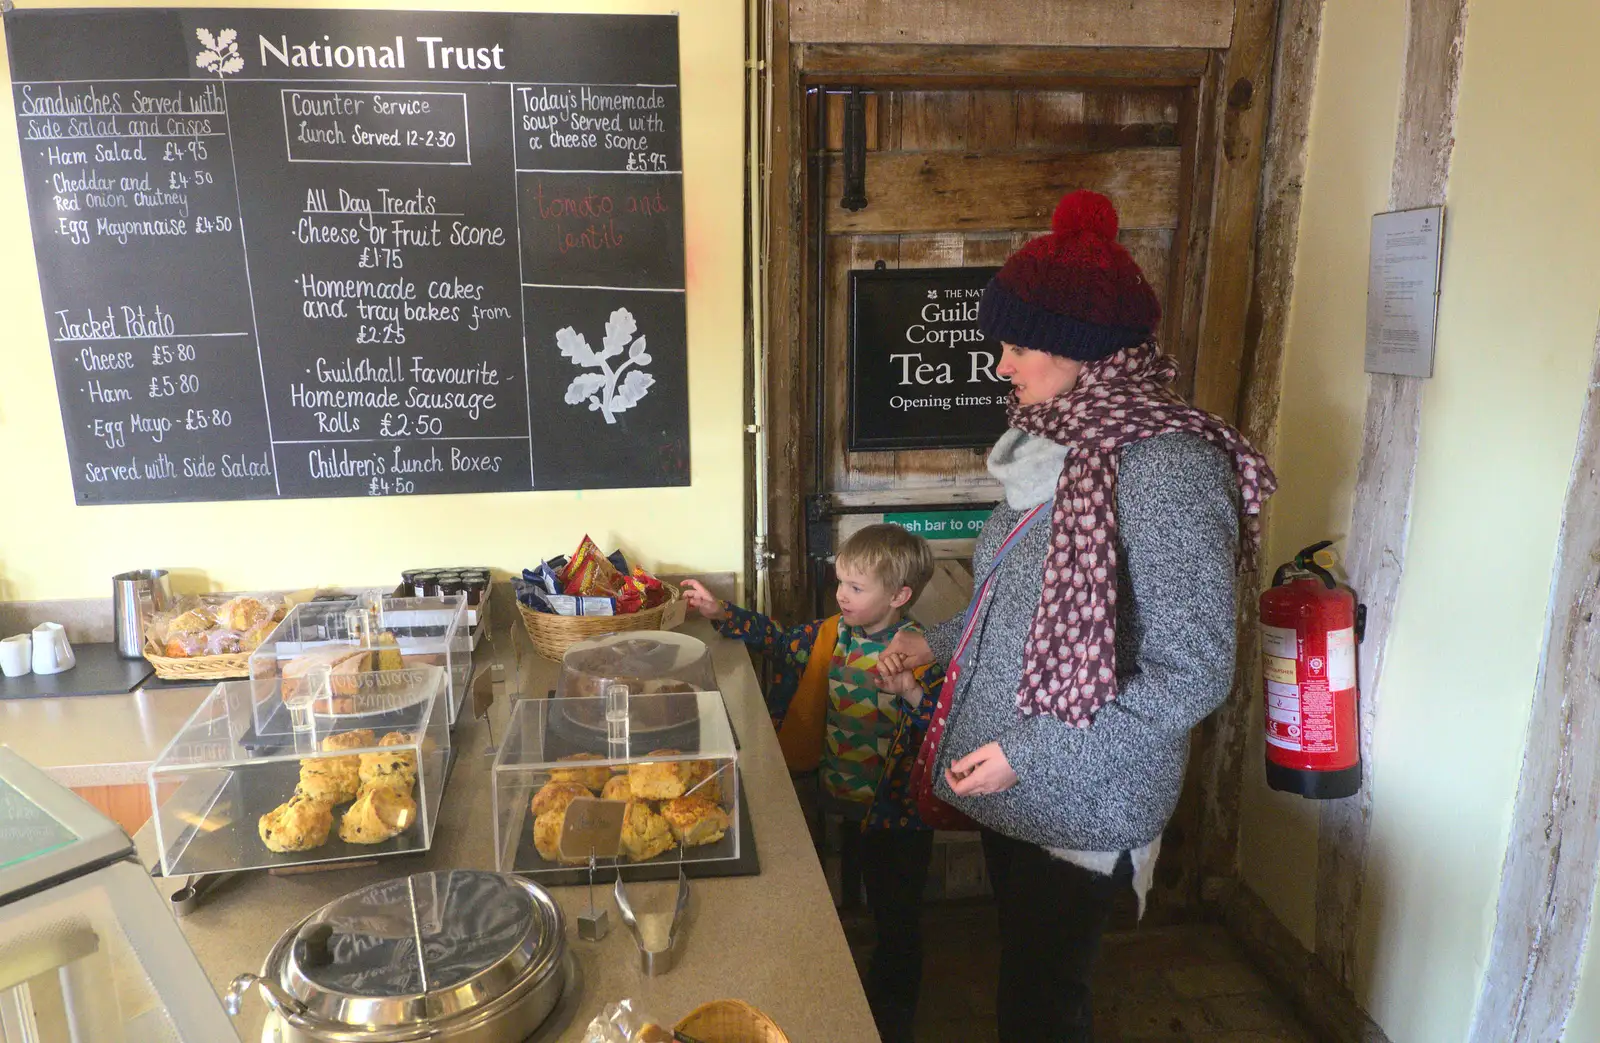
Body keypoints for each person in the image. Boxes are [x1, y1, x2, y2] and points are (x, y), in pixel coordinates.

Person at [879, 189, 1276, 1043]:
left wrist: (1030, 752)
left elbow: (1195, 669)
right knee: (1024, 983)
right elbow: (1015, 602)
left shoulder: (1166, 468)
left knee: (1043, 1007)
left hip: (1084, 796)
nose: (1000, 364)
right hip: (1018, 784)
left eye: (1017, 345)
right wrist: (934, 644)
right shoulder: (1049, 448)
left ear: (1083, 351)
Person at [681, 524, 945, 1043]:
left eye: (856, 587)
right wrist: (721, 613)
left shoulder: (922, 653)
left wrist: (910, 691)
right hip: (838, 799)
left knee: (899, 917)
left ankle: (892, 1017)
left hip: (897, 819)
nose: (841, 595)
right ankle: (844, 973)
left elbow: (943, 726)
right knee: (842, 890)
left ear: (900, 596)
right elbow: (778, 640)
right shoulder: (832, 634)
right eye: (840, 581)